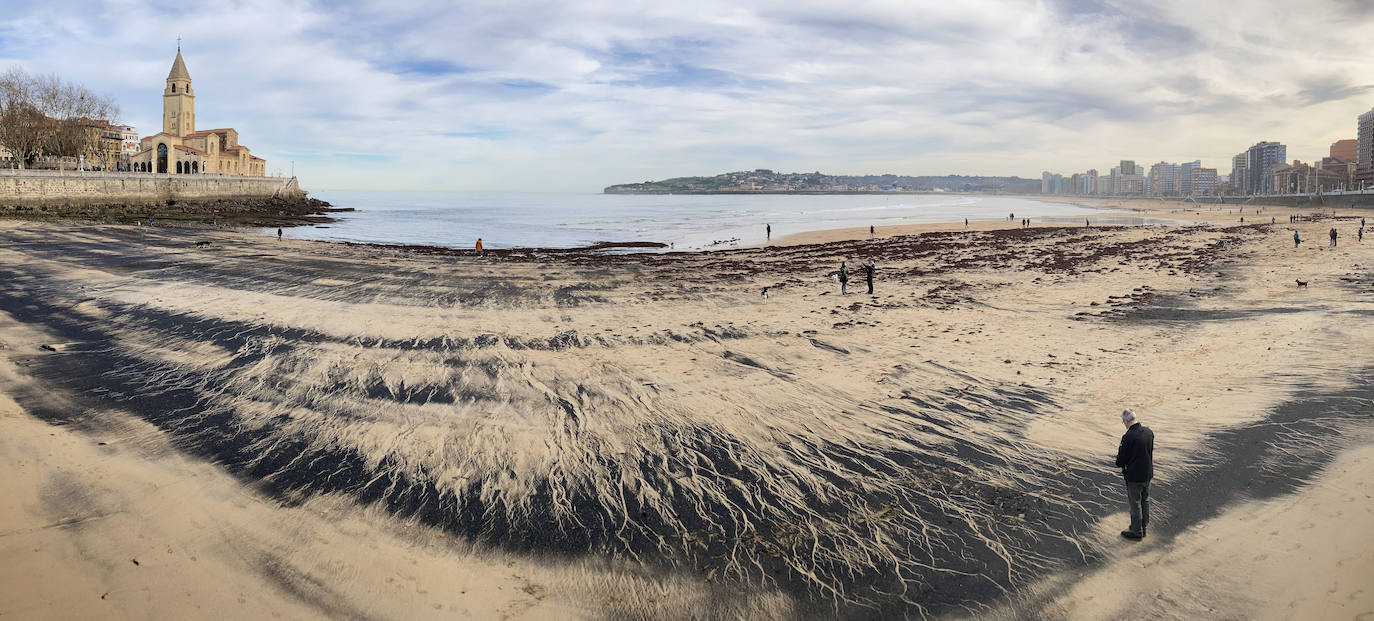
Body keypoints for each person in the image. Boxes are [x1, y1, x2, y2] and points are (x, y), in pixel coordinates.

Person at [1115, 408, 1154, 540]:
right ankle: (1143, 526)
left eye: (1123, 421)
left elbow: (1121, 460)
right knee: (1145, 500)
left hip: (1134, 476)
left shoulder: (1128, 437)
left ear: (1126, 421)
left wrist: (1119, 462)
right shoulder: (1149, 432)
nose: (1124, 424)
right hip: (1148, 473)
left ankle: (1137, 531)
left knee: (1135, 503)